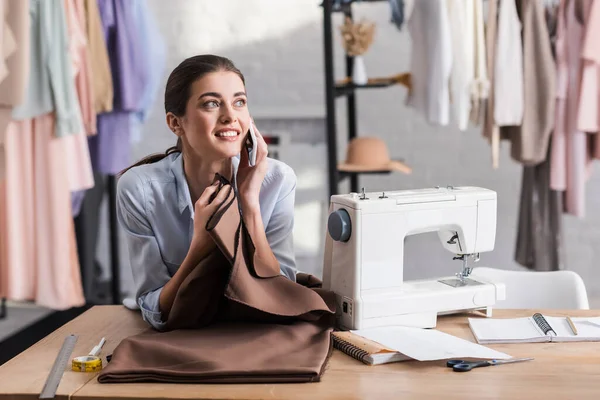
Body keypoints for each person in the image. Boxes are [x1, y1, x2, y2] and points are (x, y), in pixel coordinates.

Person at [116, 55, 297, 331]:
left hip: (255, 333)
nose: (230, 116)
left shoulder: (277, 181)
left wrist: (249, 203)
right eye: (212, 104)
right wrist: (200, 245)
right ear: (175, 123)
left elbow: (283, 294)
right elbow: (154, 308)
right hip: (182, 336)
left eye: (239, 102)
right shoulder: (139, 189)